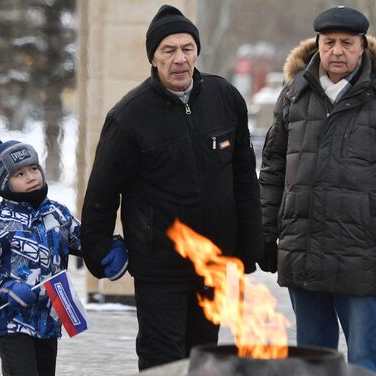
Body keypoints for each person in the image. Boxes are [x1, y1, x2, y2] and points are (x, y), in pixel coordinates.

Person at [81, 4, 263, 371]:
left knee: (202, 357)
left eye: (187, 49)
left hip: (213, 260)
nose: (180, 59)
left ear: (197, 51)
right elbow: (102, 191)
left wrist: (249, 243)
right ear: (153, 57)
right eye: (169, 50)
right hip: (159, 264)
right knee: (163, 360)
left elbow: (243, 175)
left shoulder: (224, 98)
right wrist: (98, 251)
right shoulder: (129, 116)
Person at [258, 6, 376, 375]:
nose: (337, 51)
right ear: (317, 45)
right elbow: (273, 169)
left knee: (365, 364)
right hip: (303, 256)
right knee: (313, 364)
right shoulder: (293, 96)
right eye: (329, 42)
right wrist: (265, 232)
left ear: (363, 47)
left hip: (362, 261)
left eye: (346, 43)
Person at [0, 137, 127, 376]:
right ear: (5, 183)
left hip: (48, 320)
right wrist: (7, 288)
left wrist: (112, 247)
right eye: (19, 174)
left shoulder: (57, 213)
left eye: (33, 169)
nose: (31, 177)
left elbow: (86, 241)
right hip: (10, 321)